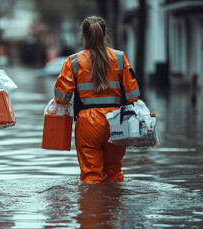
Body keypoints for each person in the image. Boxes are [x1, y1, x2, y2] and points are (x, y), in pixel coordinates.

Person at [54, 16, 140, 184]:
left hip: (88, 124)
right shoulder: (120, 58)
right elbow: (133, 95)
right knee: (115, 172)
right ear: (104, 34)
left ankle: (92, 208)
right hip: (117, 121)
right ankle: (114, 207)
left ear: (84, 36)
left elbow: (61, 98)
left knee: (91, 176)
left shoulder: (73, 61)